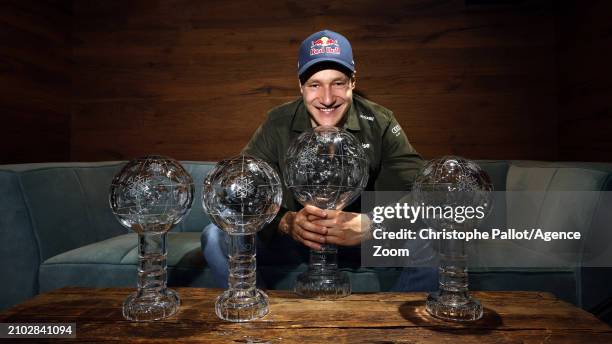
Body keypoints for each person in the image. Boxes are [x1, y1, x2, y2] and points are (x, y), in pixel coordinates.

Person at [201, 29, 437, 291]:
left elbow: (427, 191)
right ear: (300, 85)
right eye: (315, 84)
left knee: (436, 235)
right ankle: (256, 313)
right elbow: (240, 187)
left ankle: (399, 328)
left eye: (338, 83)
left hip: (362, 245)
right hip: (296, 246)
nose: (327, 99)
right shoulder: (278, 123)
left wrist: (373, 225)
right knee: (216, 236)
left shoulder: (380, 122)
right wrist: (284, 221)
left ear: (352, 82)